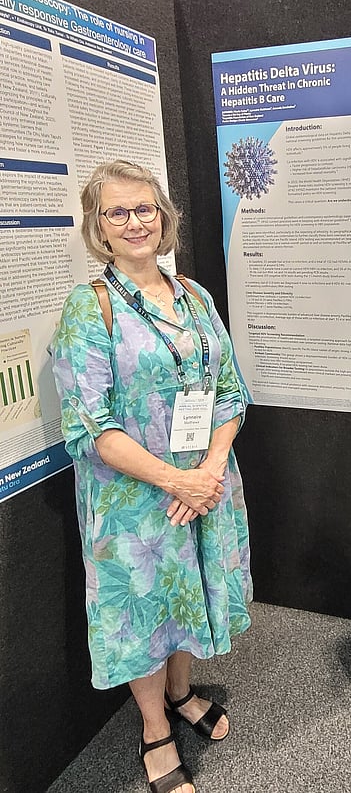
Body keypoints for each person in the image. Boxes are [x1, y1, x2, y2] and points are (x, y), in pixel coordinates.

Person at [49, 160, 252, 793]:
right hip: (134, 499)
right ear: (99, 227)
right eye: (118, 212)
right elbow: (90, 425)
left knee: (190, 593)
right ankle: (154, 727)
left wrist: (209, 469)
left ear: (163, 218)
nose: (135, 222)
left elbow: (230, 392)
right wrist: (177, 481)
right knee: (143, 613)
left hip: (205, 483)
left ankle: (183, 692)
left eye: (145, 209)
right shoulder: (90, 307)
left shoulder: (195, 297)